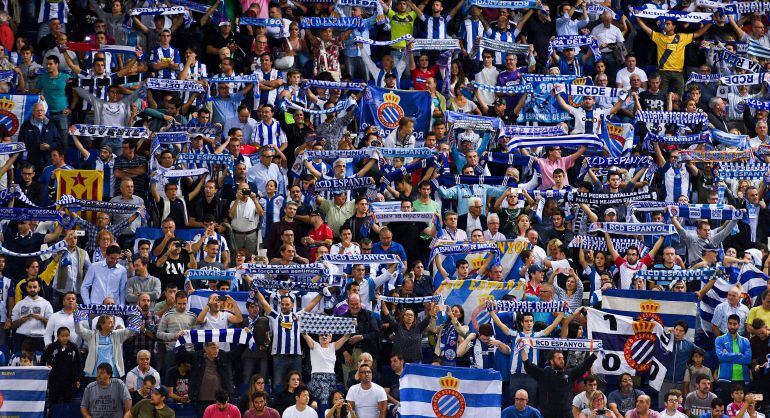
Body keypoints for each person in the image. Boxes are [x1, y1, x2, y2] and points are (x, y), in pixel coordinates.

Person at [522, 347, 597, 418]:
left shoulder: (569, 374)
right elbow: (528, 367)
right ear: (551, 361)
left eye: (562, 358)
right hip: (547, 415)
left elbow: (584, 366)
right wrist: (522, 349)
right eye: (558, 358)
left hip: (566, 415)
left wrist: (595, 353)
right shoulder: (544, 374)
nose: (562, 361)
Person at [41, 326, 82, 404]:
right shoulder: (52, 347)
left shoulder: (73, 347)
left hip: (69, 380)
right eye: (62, 336)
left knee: (67, 401)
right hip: (54, 379)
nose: (65, 338)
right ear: (58, 336)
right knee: (53, 401)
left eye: (67, 336)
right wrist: (46, 368)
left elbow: (79, 364)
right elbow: (43, 360)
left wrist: (77, 378)